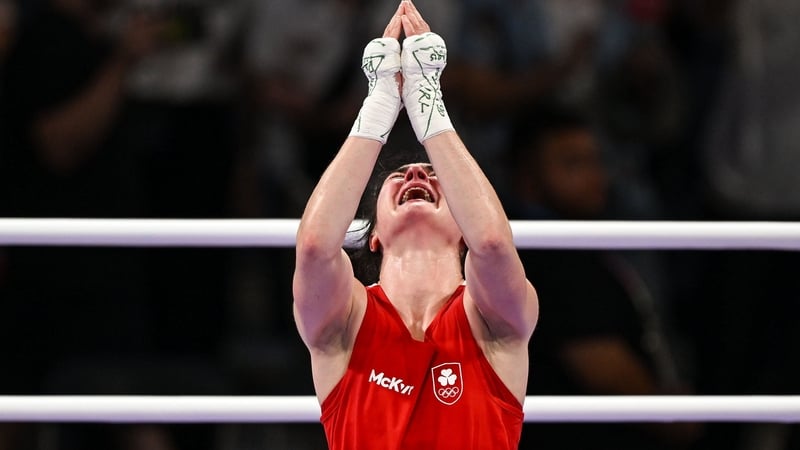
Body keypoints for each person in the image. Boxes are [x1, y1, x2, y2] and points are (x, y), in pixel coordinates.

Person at [292, 2, 539, 449]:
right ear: (373, 236)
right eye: (397, 176)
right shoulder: (346, 320)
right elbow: (313, 247)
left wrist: (429, 103)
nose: (416, 174)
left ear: (461, 223)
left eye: (432, 175)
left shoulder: (490, 321)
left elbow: (492, 243)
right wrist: (380, 104)